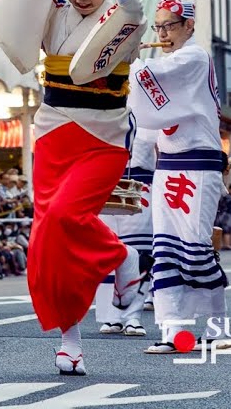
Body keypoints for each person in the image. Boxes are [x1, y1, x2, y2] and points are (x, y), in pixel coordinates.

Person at [0, 0, 144, 376]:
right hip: (53, 133)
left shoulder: (123, 18)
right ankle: (70, 339)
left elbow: (132, 4)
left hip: (104, 140)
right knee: (49, 234)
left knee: (68, 220)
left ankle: (117, 255)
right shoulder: (54, 12)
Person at [128, 0, 229, 354]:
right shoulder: (168, 63)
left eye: (169, 25)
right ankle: (173, 331)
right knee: (165, 247)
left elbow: (145, 79)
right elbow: (145, 110)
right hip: (168, 164)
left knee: (195, 248)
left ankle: (218, 328)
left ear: (189, 26)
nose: (162, 34)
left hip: (199, 162)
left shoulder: (194, 57)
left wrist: (127, 57)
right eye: (158, 27)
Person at [93, 127, 155, 337]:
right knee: (106, 253)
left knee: (140, 253)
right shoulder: (98, 109)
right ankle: (111, 313)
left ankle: (133, 315)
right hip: (103, 185)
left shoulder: (152, 112)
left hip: (141, 186)